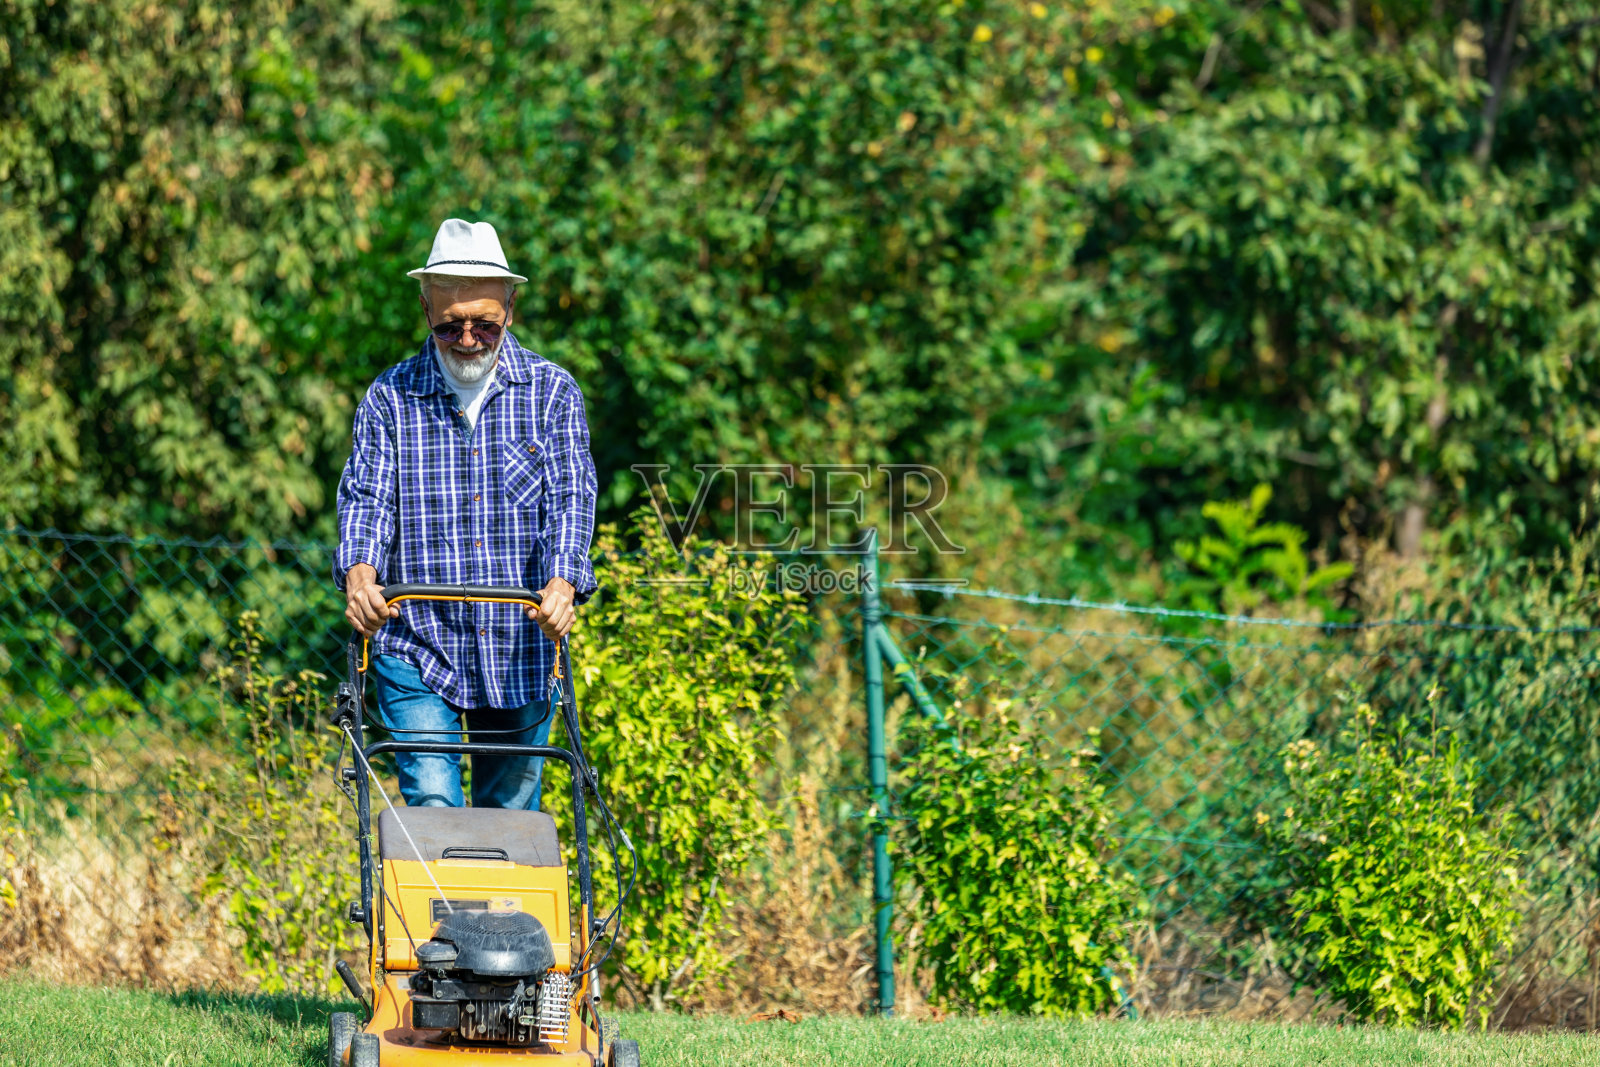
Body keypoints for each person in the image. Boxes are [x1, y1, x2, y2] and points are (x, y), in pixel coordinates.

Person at [334, 218, 598, 809]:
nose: (469, 338)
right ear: (425, 309)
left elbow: (571, 499)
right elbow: (367, 499)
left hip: (519, 643)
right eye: (450, 325)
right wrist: (361, 577)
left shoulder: (552, 394)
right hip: (416, 642)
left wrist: (561, 584)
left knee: (509, 825)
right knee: (433, 808)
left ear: (512, 309)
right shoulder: (389, 398)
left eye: (485, 323)